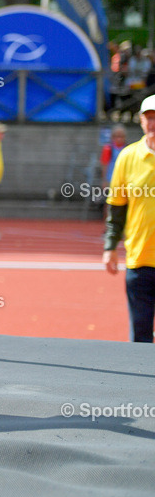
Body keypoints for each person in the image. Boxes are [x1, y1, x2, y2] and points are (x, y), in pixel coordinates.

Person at [103, 94, 155, 343]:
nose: (153, 123)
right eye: (149, 117)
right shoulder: (127, 156)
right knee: (140, 337)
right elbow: (117, 206)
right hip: (139, 260)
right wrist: (110, 246)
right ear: (141, 121)